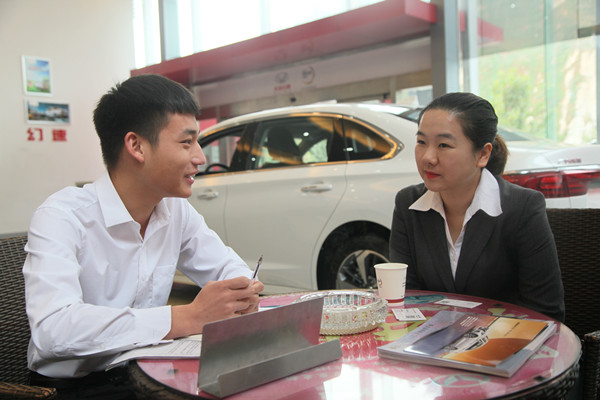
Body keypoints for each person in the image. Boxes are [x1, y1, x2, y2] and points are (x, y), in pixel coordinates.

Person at [23, 74, 264, 398]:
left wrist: (242, 290)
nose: (200, 158)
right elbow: (54, 330)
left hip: (147, 371)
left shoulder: (174, 210)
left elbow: (225, 267)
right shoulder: (62, 216)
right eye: (186, 142)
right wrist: (187, 317)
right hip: (75, 388)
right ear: (136, 146)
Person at [389, 92, 565, 322]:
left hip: (505, 340)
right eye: (421, 142)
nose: (428, 158)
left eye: (443, 145)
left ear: (482, 154)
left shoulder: (522, 208)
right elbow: (406, 299)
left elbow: (545, 312)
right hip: (427, 340)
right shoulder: (408, 204)